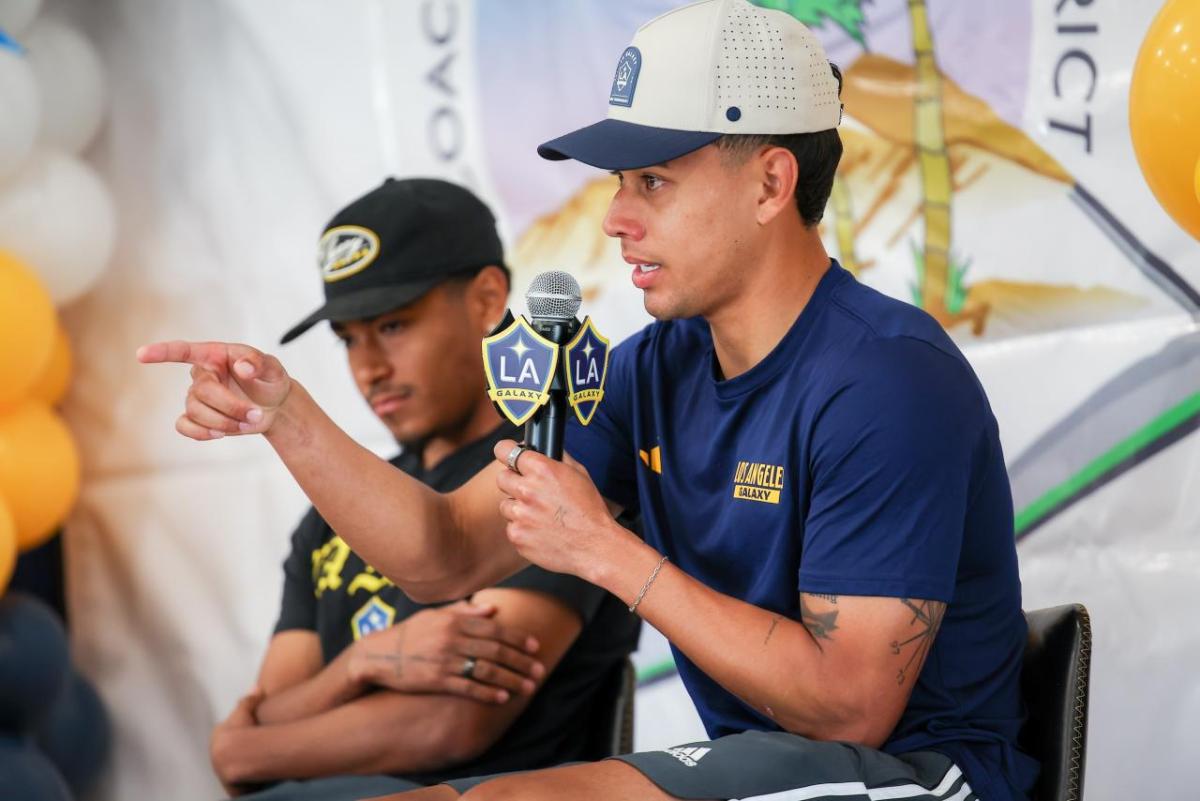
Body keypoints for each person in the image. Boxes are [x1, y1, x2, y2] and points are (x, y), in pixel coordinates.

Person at [140, 2, 1039, 799]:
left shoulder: (886, 377)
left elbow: (848, 708)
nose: (615, 217)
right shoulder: (650, 370)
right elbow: (445, 554)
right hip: (771, 766)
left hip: (918, 778)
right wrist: (284, 413)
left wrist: (607, 551)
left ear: (770, 183)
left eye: (653, 179)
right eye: (619, 183)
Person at [202, 178, 640, 801]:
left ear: (488, 298)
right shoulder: (332, 515)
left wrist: (245, 746)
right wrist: (367, 662)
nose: (368, 367)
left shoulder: (556, 464)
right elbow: (267, 711)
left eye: (393, 326)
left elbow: (450, 723)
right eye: (349, 339)